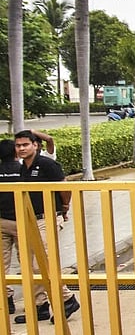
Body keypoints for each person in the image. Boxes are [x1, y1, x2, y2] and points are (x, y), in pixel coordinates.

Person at [13, 130, 80, 324]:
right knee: (29, 263)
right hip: (29, 219)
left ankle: (67, 298)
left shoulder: (47, 164)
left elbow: (64, 187)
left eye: (25, 144)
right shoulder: (23, 167)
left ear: (35, 145)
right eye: (18, 146)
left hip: (47, 217)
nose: (22, 148)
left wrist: (64, 207)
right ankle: (40, 304)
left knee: (42, 262)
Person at [0, 140, 21, 314]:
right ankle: (39, 302)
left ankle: (7, 301)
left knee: (2, 264)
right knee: (29, 264)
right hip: (22, 220)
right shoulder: (23, 171)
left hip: (2, 221)